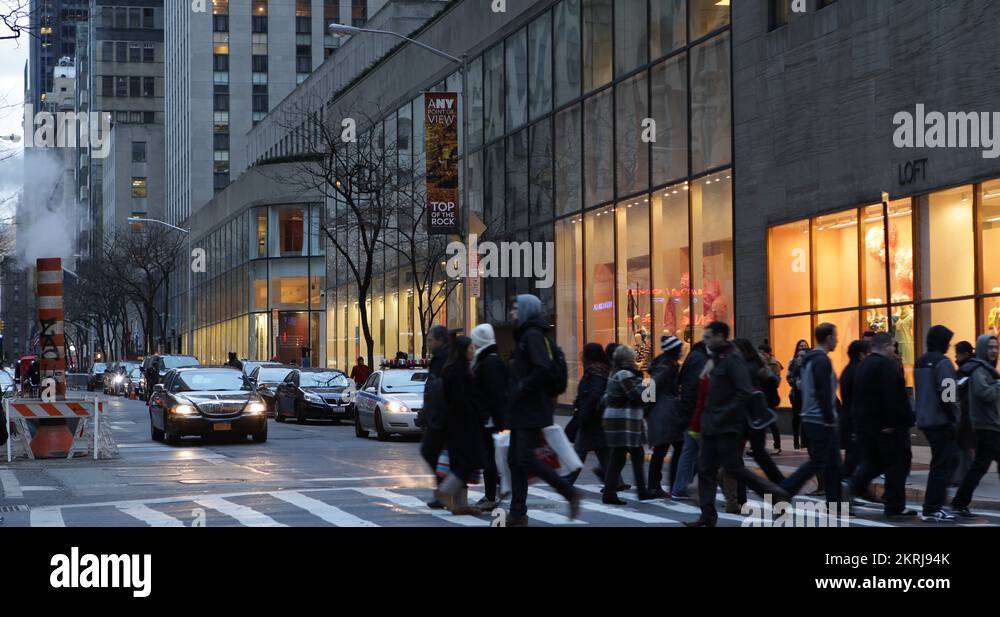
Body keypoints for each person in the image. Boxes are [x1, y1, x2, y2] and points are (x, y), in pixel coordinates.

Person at [686, 322, 788, 527]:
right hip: (710, 425)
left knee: (733, 468)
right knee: (705, 470)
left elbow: (744, 392)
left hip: (728, 426)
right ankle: (707, 515)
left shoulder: (733, 359)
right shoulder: (715, 359)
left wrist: (724, 414)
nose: (705, 341)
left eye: (708, 337)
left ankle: (775, 493)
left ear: (721, 336)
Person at [506, 295, 581, 526]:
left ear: (527, 310)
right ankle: (517, 512)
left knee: (524, 459)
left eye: (516, 308)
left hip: (532, 409)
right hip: (525, 409)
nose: (511, 312)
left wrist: (521, 387)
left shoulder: (532, 336)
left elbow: (542, 369)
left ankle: (568, 492)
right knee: (514, 460)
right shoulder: (527, 335)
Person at [846, 332, 916, 518]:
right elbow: (893, 397)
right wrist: (897, 421)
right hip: (887, 428)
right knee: (897, 464)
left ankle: (850, 487)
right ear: (885, 345)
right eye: (893, 346)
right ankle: (894, 506)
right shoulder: (885, 366)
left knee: (874, 464)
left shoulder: (863, 365)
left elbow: (858, 399)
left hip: (867, 426)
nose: (894, 350)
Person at [780, 324, 842, 506]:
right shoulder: (821, 360)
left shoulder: (810, 359)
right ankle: (785, 489)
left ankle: (835, 502)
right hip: (820, 419)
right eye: (835, 337)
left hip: (813, 417)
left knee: (831, 463)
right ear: (829, 337)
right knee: (820, 462)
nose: (837, 340)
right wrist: (830, 418)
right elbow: (822, 392)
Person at [435, 336, 487, 516]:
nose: (473, 350)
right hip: (462, 424)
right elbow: (461, 401)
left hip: (456, 424)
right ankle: (445, 491)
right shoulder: (458, 371)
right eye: (471, 348)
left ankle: (460, 504)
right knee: (469, 462)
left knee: (459, 462)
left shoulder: (455, 369)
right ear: (463, 350)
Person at [950, 335, 1000, 518]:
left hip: (982, 423)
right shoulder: (978, 369)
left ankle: (959, 501)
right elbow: (982, 393)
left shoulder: (980, 368)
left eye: (996, 347)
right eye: (990, 347)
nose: (994, 351)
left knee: (977, 465)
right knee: (975, 464)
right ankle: (959, 501)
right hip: (982, 424)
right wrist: (998, 386)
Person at [914, 325, 960, 523]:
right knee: (944, 463)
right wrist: (953, 417)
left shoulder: (920, 362)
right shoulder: (943, 363)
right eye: (948, 341)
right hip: (940, 420)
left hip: (924, 418)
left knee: (941, 462)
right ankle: (933, 507)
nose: (950, 345)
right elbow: (947, 394)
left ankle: (933, 506)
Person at [602, 345, 656, 504]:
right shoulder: (624, 374)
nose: (635, 360)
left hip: (624, 421)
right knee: (619, 457)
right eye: (633, 357)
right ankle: (612, 493)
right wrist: (649, 383)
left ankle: (638, 491)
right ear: (628, 359)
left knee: (629, 455)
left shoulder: (617, 373)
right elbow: (637, 396)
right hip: (623, 422)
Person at [733, 338, 785, 487]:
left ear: (742, 350)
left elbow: (773, 381)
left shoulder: (748, 365)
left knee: (740, 457)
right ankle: (780, 484)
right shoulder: (754, 364)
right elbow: (773, 381)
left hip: (749, 415)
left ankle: (776, 486)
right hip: (755, 414)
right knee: (756, 454)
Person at [470, 324, 508, 511]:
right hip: (487, 417)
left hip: (489, 419)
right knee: (489, 458)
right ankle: (492, 494)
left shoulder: (489, 362)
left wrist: (495, 418)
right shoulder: (487, 359)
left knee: (489, 459)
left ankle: (491, 495)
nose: (473, 345)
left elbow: (495, 394)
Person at [568, 343, 613, 487]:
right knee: (603, 452)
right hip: (598, 418)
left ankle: (566, 482)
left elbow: (594, 394)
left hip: (591, 418)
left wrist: (583, 414)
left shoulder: (595, 371)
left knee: (580, 452)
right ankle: (614, 482)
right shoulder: (603, 370)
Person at [646, 335, 684, 498]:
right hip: (665, 412)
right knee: (665, 449)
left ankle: (669, 484)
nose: (682, 352)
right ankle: (656, 486)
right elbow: (652, 386)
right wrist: (645, 409)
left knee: (674, 448)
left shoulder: (665, 363)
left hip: (664, 411)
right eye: (679, 349)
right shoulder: (667, 366)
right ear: (673, 350)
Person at [671, 341, 709, 500]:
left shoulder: (691, 359)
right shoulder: (700, 360)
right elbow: (699, 389)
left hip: (689, 412)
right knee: (709, 454)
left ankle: (680, 487)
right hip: (696, 413)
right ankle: (730, 496)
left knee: (689, 451)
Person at [419, 326, 451, 509]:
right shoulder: (438, 359)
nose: (428, 343)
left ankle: (445, 491)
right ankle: (443, 491)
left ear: (440, 340)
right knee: (435, 453)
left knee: (432, 451)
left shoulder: (445, 359)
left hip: (442, 417)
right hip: (436, 416)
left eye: (430, 340)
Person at [839, 340, 870, 480]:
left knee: (855, 458)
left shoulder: (848, 369)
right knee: (854, 459)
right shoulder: (857, 371)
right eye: (867, 353)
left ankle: (854, 489)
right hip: (855, 420)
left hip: (850, 418)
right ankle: (849, 489)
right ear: (861, 355)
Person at [953, 341, 977, 485]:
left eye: (958, 353)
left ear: (965, 354)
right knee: (966, 446)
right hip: (966, 412)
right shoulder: (967, 369)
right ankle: (965, 475)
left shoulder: (964, 370)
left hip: (965, 412)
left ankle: (962, 476)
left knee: (964, 445)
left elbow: (950, 393)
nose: (956, 356)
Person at [758, 342, 784, 453]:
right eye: (759, 353)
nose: (760, 355)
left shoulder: (774, 365)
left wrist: (765, 371)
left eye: (762, 353)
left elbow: (776, 382)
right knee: (760, 423)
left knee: (772, 422)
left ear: (768, 354)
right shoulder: (758, 364)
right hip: (760, 396)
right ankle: (758, 447)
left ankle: (777, 446)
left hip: (770, 396)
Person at [787, 340, 811, 450]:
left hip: (806, 394)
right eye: (801, 346)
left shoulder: (810, 362)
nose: (803, 348)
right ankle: (796, 441)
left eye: (805, 346)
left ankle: (804, 441)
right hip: (796, 394)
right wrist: (794, 381)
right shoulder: (793, 362)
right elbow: (789, 377)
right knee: (796, 418)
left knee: (805, 418)